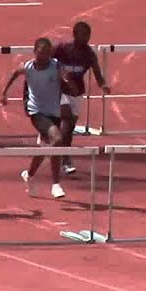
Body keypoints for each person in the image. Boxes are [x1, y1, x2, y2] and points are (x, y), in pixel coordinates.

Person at [0, 37, 67, 198]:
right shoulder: (28, 67)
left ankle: (28, 175)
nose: (44, 58)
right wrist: (3, 93)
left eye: (47, 54)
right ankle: (56, 184)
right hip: (36, 111)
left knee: (46, 146)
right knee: (57, 140)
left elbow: (65, 76)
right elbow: (14, 74)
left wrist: (67, 81)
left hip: (54, 111)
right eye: (41, 54)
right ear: (35, 52)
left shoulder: (56, 65)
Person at [52, 21, 111, 176]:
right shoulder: (62, 49)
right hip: (59, 91)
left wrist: (103, 84)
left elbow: (97, 72)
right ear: (75, 34)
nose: (86, 38)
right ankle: (65, 160)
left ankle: (54, 142)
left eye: (88, 35)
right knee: (66, 121)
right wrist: (60, 76)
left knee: (68, 129)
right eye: (83, 35)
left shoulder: (89, 54)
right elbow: (47, 61)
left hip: (77, 94)